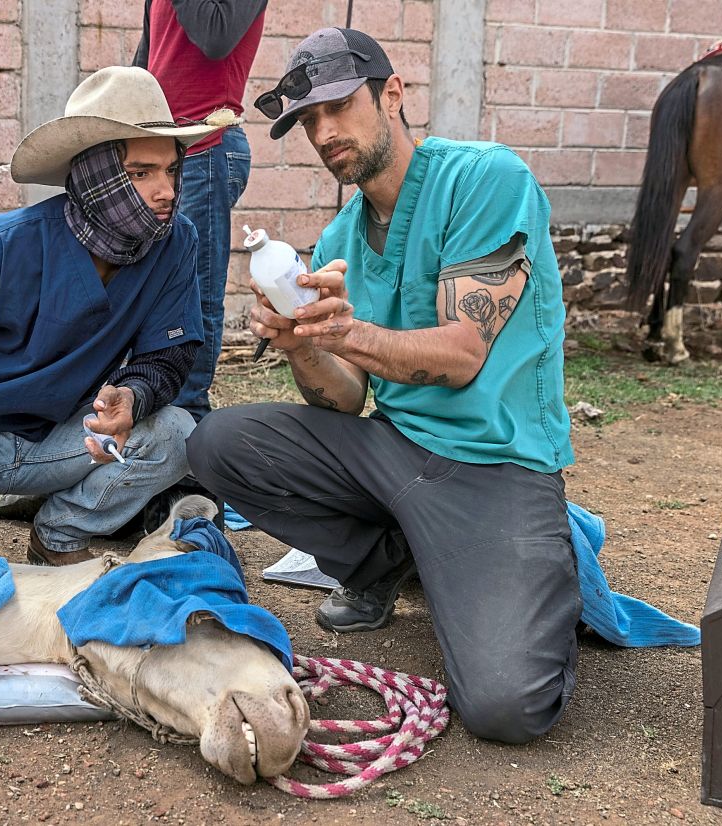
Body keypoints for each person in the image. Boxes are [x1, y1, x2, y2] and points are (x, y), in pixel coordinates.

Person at [187, 28, 580, 744]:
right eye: (309, 121)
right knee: (218, 442)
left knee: (506, 708)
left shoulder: (485, 179)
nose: (325, 132)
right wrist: (300, 343)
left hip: (496, 465)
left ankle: (535, 582)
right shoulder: (339, 238)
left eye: (340, 106)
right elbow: (342, 399)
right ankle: (386, 566)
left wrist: (342, 332)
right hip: (392, 453)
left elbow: (462, 355)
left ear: (393, 94)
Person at [0, 66, 232, 565]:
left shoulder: (175, 242)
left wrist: (133, 396)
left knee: (182, 435)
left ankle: (59, 534)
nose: (165, 191)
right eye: (142, 173)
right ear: (96, 175)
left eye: (171, 170)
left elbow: (168, 355)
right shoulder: (7, 242)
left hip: (68, 433)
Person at [133, 0, 266, 421]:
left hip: (206, 150)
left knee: (196, 292)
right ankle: (152, 399)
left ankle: (190, 420)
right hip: (162, 152)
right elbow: (146, 67)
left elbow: (215, 36)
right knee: (150, 286)